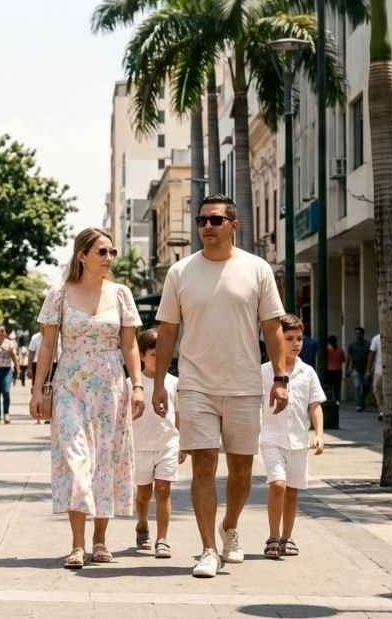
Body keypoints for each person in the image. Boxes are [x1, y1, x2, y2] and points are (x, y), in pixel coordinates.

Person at [151, 194, 287, 579]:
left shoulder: (257, 269)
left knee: (241, 469)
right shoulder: (180, 273)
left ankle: (231, 527)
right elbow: (167, 332)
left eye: (215, 220)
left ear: (233, 225)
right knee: (203, 465)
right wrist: (159, 384)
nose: (207, 227)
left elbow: (272, 327)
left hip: (244, 384)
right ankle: (208, 548)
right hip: (196, 384)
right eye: (202, 221)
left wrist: (279, 378)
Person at [29, 227, 142, 569]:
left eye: (112, 252)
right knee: (76, 460)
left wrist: (137, 385)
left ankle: (100, 540)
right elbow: (48, 346)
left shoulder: (121, 294)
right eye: (102, 252)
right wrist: (38, 389)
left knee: (105, 459)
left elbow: (130, 344)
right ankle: (77, 544)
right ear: (82, 256)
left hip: (110, 385)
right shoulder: (59, 295)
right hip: (70, 385)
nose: (109, 258)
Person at [260, 314, 325, 559]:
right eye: (289, 339)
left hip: (298, 440)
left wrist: (319, 434)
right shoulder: (265, 372)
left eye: (299, 338)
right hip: (271, 438)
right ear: (278, 340)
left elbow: (315, 404)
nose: (296, 343)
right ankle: (273, 536)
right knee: (278, 484)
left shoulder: (307, 372)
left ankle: (287, 537)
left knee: (292, 490)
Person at [132, 328, 178, 558]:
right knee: (143, 493)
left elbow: (180, 416)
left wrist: (183, 443)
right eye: (153, 354)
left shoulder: (174, 383)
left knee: (163, 490)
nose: (159, 360)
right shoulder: (133, 385)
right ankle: (142, 523)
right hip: (139, 446)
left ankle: (162, 539)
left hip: (167, 444)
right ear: (141, 355)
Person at [0, 326, 18, 424]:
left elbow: (14, 357)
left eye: (3, 331)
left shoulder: (9, 343)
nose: (1, 333)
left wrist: (18, 370)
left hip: (6, 370)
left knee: (6, 391)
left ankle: (6, 414)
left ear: (5, 333)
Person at [345, 328, 370, 411]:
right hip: (355, 369)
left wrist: (369, 369)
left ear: (363, 334)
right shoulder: (352, 345)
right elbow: (348, 358)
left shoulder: (367, 344)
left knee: (366, 386)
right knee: (357, 386)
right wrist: (347, 369)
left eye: (359, 333)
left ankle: (362, 402)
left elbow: (370, 357)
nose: (357, 335)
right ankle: (359, 404)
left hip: (366, 368)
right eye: (356, 333)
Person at [324, 335, 344, 402]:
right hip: (338, 370)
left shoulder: (327, 350)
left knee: (329, 386)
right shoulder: (340, 350)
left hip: (329, 370)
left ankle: (330, 399)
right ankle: (337, 399)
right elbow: (343, 359)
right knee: (337, 386)